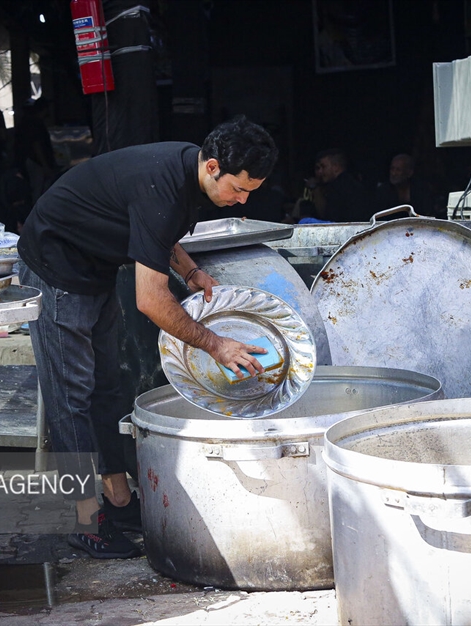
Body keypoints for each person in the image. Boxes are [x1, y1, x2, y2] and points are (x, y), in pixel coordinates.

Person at [17, 115, 279, 559]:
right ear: (213, 166)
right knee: (70, 398)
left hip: (94, 268)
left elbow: (155, 236)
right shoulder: (163, 185)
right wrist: (217, 345)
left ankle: (118, 501)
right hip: (55, 269)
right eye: (240, 188)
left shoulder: (187, 171)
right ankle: (85, 520)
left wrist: (191, 271)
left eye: (251, 191)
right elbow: (151, 302)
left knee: (107, 386)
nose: (241, 200)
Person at [373, 153, 443, 219]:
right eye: (392, 169)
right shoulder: (383, 191)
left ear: (409, 173)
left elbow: (428, 214)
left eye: (398, 170)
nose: (394, 173)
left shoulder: (421, 189)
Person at [309, 148, 371, 222]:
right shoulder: (353, 182)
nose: (320, 171)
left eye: (324, 167)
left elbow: (326, 216)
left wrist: (315, 189)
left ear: (335, 167)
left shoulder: (337, 187)